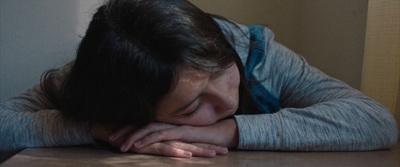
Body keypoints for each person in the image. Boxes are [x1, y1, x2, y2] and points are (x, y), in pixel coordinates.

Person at [0, 0, 398, 158]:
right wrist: (102, 128)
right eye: (192, 107)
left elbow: (376, 120)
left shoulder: (251, 52)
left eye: (221, 71)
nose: (225, 98)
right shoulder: (110, 79)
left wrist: (226, 131)